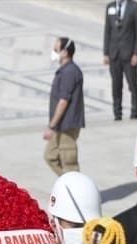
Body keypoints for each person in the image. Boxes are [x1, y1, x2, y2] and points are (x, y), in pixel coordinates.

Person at [43, 37, 85, 176]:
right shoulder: (64, 70)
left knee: (69, 162)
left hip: (67, 125)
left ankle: (76, 190)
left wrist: (51, 126)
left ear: (65, 52)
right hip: (60, 125)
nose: (54, 52)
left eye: (56, 50)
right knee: (50, 156)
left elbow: (63, 101)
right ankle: (66, 184)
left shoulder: (70, 72)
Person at [103, 0, 137, 120]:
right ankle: (117, 113)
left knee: (132, 84)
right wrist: (106, 52)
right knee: (116, 84)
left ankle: (134, 111)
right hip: (114, 53)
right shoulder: (110, 7)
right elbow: (107, 31)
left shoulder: (135, 7)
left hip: (129, 53)